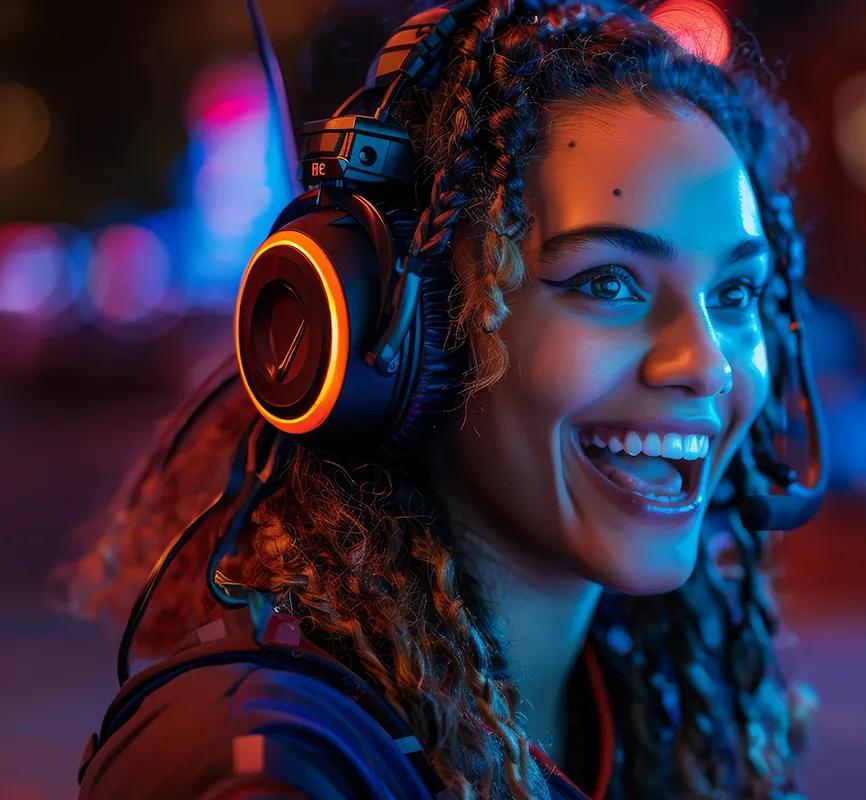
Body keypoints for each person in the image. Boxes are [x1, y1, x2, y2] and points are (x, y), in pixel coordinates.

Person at [61, 1, 818, 797]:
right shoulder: (267, 766)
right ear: (409, 337)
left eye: (736, 292)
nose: (705, 364)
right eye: (608, 282)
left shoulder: (651, 708)